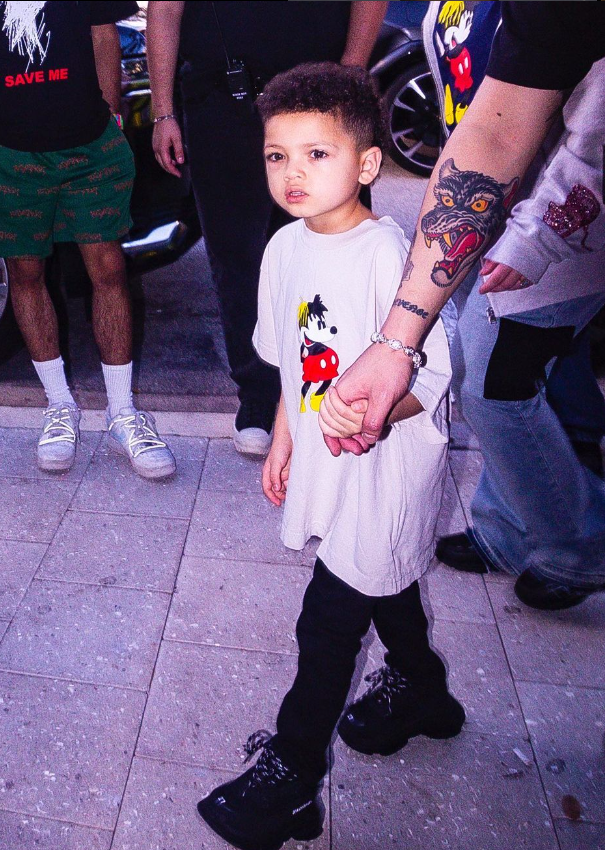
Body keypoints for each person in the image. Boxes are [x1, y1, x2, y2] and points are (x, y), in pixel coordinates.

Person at [196, 63, 464, 850]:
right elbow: (292, 360)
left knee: (327, 624)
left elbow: (431, 380)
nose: (293, 172)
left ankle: (291, 778)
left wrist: (373, 411)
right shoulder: (283, 248)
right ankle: (422, 691)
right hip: (327, 465)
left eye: (318, 154)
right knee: (382, 582)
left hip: (384, 472)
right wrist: (285, 437)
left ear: (367, 163)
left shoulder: (388, 257)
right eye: (277, 155)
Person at [320, 1, 605, 611]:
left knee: (490, 383)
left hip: (558, 227)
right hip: (497, 216)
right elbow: (487, 122)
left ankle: (582, 544)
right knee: (509, 374)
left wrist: (537, 235)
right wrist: (399, 340)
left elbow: (559, 130)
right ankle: (508, 530)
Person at [147, 0, 387, 456]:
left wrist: (351, 73)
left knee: (333, 247)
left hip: (320, 99)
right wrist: (163, 113)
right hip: (221, 100)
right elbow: (164, 9)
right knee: (236, 258)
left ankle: (335, 392)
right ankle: (258, 399)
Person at [0, 0, 176, 479]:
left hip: (90, 144)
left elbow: (104, 34)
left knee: (109, 269)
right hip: (10, 152)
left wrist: (111, 118)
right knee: (25, 271)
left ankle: (123, 412)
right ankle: (59, 405)